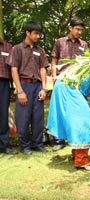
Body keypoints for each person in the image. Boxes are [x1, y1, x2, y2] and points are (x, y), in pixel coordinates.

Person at [6, 21, 48, 155]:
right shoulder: (17, 49)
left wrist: (44, 88)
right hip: (23, 84)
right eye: (35, 33)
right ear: (27, 32)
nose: (38, 36)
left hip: (37, 85)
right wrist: (20, 91)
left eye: (39, 34)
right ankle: (25, 146)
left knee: (38, 116)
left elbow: (42, 70)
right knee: (23, 117)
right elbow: (14, 70)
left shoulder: (40, 50)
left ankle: (37, 143)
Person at [50, 16, 89, 151]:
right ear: (70, 28)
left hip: (77, 83)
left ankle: (73, 137)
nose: (79, 32)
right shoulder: (60, 42)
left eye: (81, 30)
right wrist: (54, 78)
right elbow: (54, 61)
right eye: (77, 29)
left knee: (75, 112)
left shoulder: (83, 44)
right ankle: (58, 140)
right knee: (60, 110)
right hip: (62, 81)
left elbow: (86, 64)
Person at [0, 39, 18, 155]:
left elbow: (13, 67)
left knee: (3, 114)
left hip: (3, 82)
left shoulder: (8, 46)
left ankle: (4, 145)